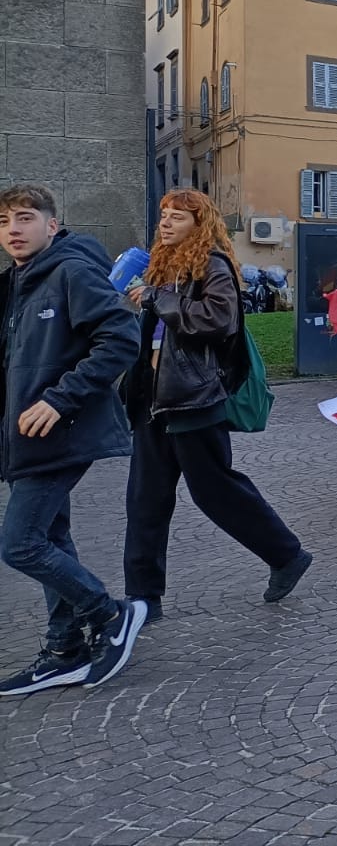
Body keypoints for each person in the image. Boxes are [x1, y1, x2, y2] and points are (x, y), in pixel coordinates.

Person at [123, 189, 312, 621]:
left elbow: (217, 320)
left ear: (200, 224)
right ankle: (142, 596)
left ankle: (286, 554)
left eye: (178, 218)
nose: (166, 223)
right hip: (154, 397)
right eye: (164, 216)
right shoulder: (163, 265)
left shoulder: (213, 264)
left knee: (216, 491)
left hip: (194, 397)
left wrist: (158, 299)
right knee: (145, 499)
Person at [0, 184, 147, 695]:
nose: (13, 230)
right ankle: (64, 650)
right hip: (28, 438)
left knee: (20, 543)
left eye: (24, 218)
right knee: (51, 538)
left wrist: (62, 399)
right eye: (4, 222)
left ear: (52, 225)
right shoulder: (21, 283)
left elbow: (121, 337)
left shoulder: (70, 271)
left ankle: (111, 614)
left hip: (61, 432)